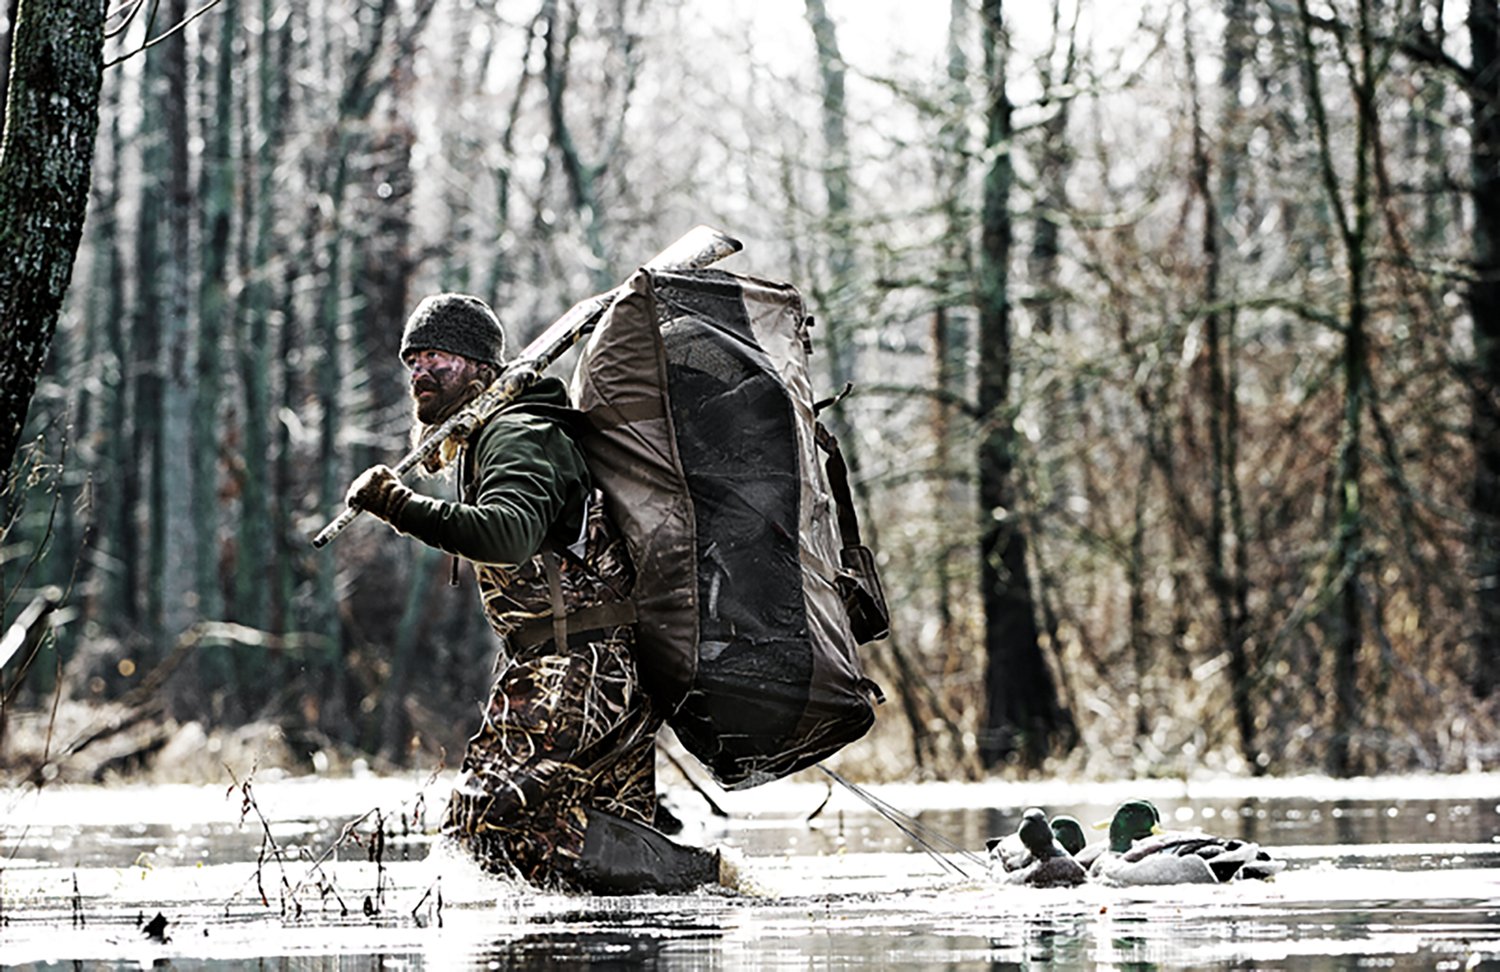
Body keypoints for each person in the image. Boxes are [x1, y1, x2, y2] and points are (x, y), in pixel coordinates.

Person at [345, 292, 724, 894]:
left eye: (438, 356)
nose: (420, 371)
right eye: (412, 359)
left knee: (490, 824)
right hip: (601, 667)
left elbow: (507, 535)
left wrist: (399, 506)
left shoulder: (517, 434)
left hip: (573, 670)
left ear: (480, 368)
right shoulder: (499, 437)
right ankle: (698, 891)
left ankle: (703, 875)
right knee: (593, 855)